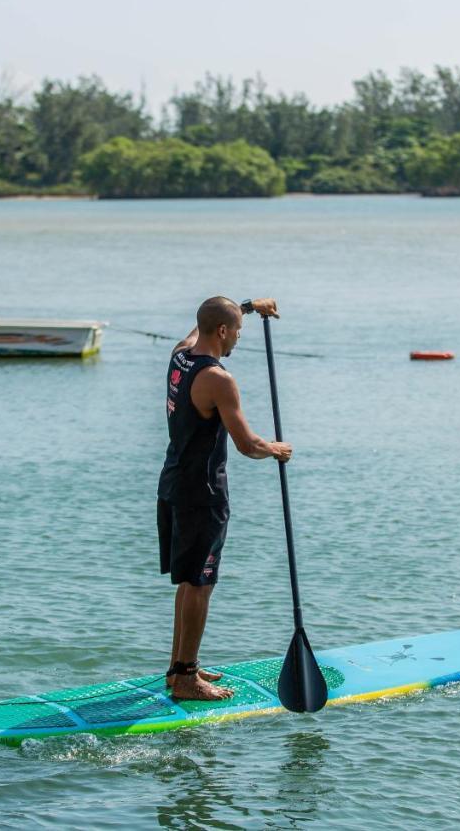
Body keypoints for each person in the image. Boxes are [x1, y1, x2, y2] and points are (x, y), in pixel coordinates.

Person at [157, 296, 292, 701]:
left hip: (173, 483)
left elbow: (202, 323)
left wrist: (248, 306)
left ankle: (180, 668)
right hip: (204, 493)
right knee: (201, 583)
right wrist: (276, 449)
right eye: (236, 330)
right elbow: (247, 445)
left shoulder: (180, 355)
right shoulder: (219, 379)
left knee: (188, 581)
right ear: (222, 331)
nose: (237, 337)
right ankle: (185, 679)